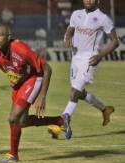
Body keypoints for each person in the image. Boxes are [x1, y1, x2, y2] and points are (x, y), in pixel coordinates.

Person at [0, 24, 65, 163]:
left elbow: (47, 69)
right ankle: (60, 121)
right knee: (22, 122)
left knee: (13, 118)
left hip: (34, 79)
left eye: (0, 35)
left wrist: (42, 96)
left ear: (8, 37)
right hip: (18, 85)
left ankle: (13, 155)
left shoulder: (20, 49)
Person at [48, 0, 119, 140]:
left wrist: (100, 55)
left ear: (97, 0)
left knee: (74, 91)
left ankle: (62, 122)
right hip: (75, 58)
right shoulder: (76, 14)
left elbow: (115, 41)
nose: (88, 0)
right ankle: (105, 109)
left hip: (90, 59)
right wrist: (68, 35)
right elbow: (71, 27)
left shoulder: (103, 18)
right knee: (80, 93)